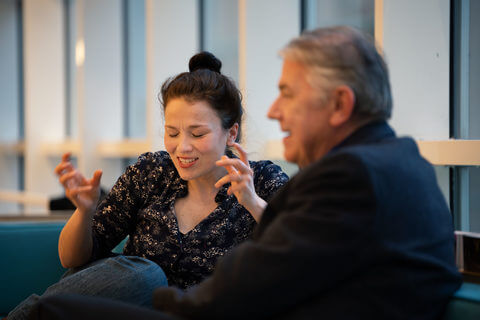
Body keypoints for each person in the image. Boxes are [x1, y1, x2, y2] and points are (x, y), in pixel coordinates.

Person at [27, 26, 461, 320]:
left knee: (65, 309)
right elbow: (292, 261)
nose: (273, 111)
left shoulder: (347, 177)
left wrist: (152, 302)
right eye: (172, 132)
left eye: (287, 95)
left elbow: (248, 285)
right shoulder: (400, 163)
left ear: (340, 105)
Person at [7, 52, 288, 320]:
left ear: (231, 132)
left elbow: (300, 249)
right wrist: (84, 211)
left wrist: (252, 202)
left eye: (197, 133)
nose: (183, 147)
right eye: (172, 133)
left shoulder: (261, 180)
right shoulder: (151, 172)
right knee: (142, 275)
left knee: (148, 276)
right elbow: (72, 259)